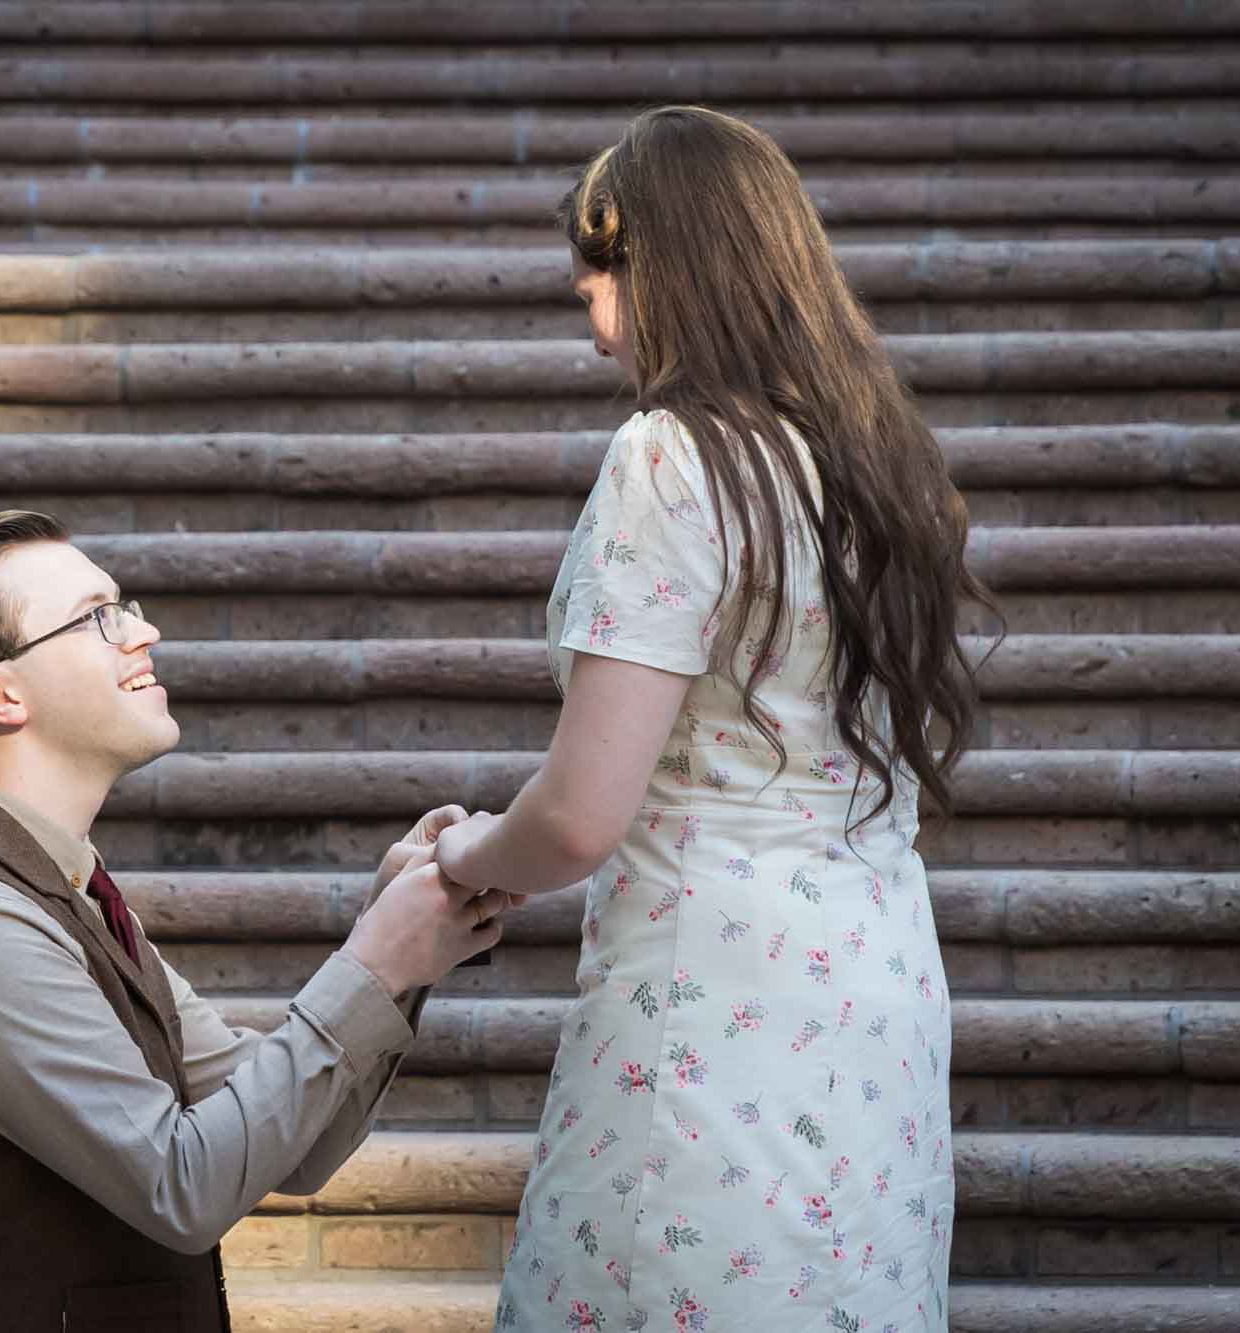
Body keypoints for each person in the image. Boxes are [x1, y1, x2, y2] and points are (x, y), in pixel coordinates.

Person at [431, 106, 993, 1332]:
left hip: (711, 1003)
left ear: (662, 269)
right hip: (873, 985)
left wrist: (462, 855)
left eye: (594, 287)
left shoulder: (671, 457)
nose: (593, 332)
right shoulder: (878, 462)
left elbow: (579, 816)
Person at [0, 509, 512, 1332]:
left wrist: (399, 945)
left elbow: (289, 1147)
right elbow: (184, 1186)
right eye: (97, 618)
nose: (143, 631)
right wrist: (376, 962)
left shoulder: (62, 885)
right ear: (2, 693)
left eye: (127, 606)